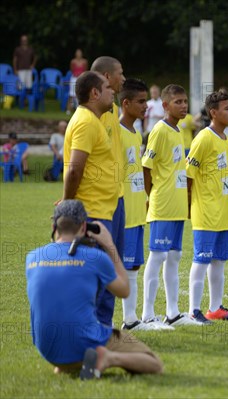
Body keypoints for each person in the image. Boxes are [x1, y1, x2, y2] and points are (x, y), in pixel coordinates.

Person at [25, 200, 162, 379]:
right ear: (84, 227)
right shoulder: (95, 257)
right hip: (84, 342)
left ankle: (66, 365)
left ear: (54, 226)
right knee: (154, 363)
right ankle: (108, 358)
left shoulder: (32, 257)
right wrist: (109, 245)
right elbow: (124, 290)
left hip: (48, 350)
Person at [187, 91, 228, 322]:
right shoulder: (203, 138)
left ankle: (216, 308)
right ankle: (194, 310)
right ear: (213, 112)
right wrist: (189, 205)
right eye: (227, 109)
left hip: (223, 210)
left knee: (219, 260)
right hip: (205, 211)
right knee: (201, 260)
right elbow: (189, 175)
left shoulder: (226, 139)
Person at [141, 84, 198, 327]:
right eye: (178, 102)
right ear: (165, 106)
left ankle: (173, 312)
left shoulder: (177, 131)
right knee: (157, 256)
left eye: (185, 101)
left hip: (176, 206)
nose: (183, 105)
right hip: (163, 204)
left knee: (174, 257)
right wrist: (152, 195)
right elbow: (146, 167)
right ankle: (147, 314)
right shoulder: (160, 131)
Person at [62, 72, 119, 289]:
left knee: (102, 282)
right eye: (107, 87)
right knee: (96, 283)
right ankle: (97, 324)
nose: (112, 90)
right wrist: (67, 204)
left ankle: (102, 324)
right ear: (95, 93)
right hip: (92, 213)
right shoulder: (86, 122)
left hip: (101, 211)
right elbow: (75, 170)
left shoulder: (93, 121)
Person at [117, 78, 156, 331]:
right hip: (121, 212)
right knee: (119, 266)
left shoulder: (135, 134)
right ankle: (128, 320)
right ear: (126, 103)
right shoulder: (116, 132)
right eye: (141, 102)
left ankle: (131, 320)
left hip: (136, 209)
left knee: (132, 265)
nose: (146, 107)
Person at [91, 56, 126, 326]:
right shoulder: (92, 114)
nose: (123, 79)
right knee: (101, 262)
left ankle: (105, 323)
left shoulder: (111, 108)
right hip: (98, 200)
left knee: (115, 262)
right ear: (106, 75)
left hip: (117, 195)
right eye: (120, 74)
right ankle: (94, 324)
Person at [68, 49, 89, 114]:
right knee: (72, 94)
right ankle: (69, 109)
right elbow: (72, 70)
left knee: (81, 93)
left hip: (81, 79)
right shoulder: (73, 61)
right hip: (74, 78)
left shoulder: (85, 61)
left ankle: (80, 108)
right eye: (77, 53)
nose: (79, 54)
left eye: (80, 53)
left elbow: (86, 70)